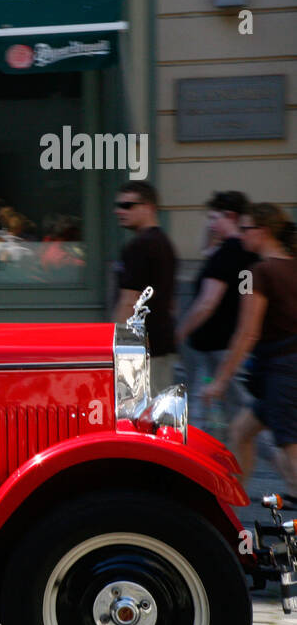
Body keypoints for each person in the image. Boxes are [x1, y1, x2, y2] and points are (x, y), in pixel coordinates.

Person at [203, 203, 297, 492]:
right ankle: (234, 502)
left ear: (263, 231)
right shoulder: (291, 265)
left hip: (282, 371)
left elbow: (247, 333)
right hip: (280, 370)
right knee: (241, 431)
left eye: (246, 229)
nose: (241, 236)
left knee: (290, 447)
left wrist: (219, 381)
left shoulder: (254, 273)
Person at [174, 192, 258, 433]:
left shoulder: (226, 255)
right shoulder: (246, 252)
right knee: (233, 411)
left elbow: (206, 303)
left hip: (213, 346)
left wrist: (180, 332)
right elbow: (245, 293)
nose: (210, 225)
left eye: (213, 218)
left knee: (217, 412)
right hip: (230, 344)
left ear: (230, 216)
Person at [112, 182, 178, 392]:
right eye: (118, 205)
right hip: (158, 344)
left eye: (128, 205)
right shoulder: (164, 242)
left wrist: (113, 345)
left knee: (139, 415)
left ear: (148, 207)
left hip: (139, 349)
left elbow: (129, 301)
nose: (119, 211)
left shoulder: (139, 246)